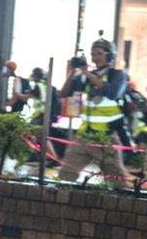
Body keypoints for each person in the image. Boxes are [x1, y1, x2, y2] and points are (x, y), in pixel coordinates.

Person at [58, 39, 136, 185]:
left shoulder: (117, 75)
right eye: (93, 54)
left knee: (118, 182)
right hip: (84, 136)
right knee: (65, 176)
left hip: (106, 138)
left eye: (99, 53)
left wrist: (87, 72)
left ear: (110, 55)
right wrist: (73, 71)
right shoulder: (87, 76)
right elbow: (64, 93)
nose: (95, 57)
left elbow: (112, 93)